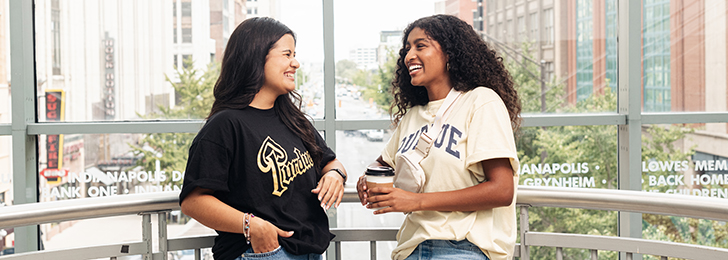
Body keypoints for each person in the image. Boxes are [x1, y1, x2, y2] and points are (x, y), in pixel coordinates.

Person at [179, 17, 347, 260]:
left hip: (310, 252)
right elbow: (193, 201)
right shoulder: (226, 124)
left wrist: (334, 175)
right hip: (260, 252)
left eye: (295, 54)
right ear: (256, 56)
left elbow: (330, 161)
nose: (296, 63)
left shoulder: (294, 119)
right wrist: (253, 226)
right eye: (287, 54)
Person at [356, 15, 521, 260]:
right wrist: (367, 179)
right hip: (410, 249)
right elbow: (383, 163)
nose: (409, 56)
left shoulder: (481, 101)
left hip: (465, 248)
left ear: (450, 54)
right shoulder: (413, 117)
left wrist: (415, 201)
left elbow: (502, 190)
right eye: (407, 49)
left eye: (420, 46)